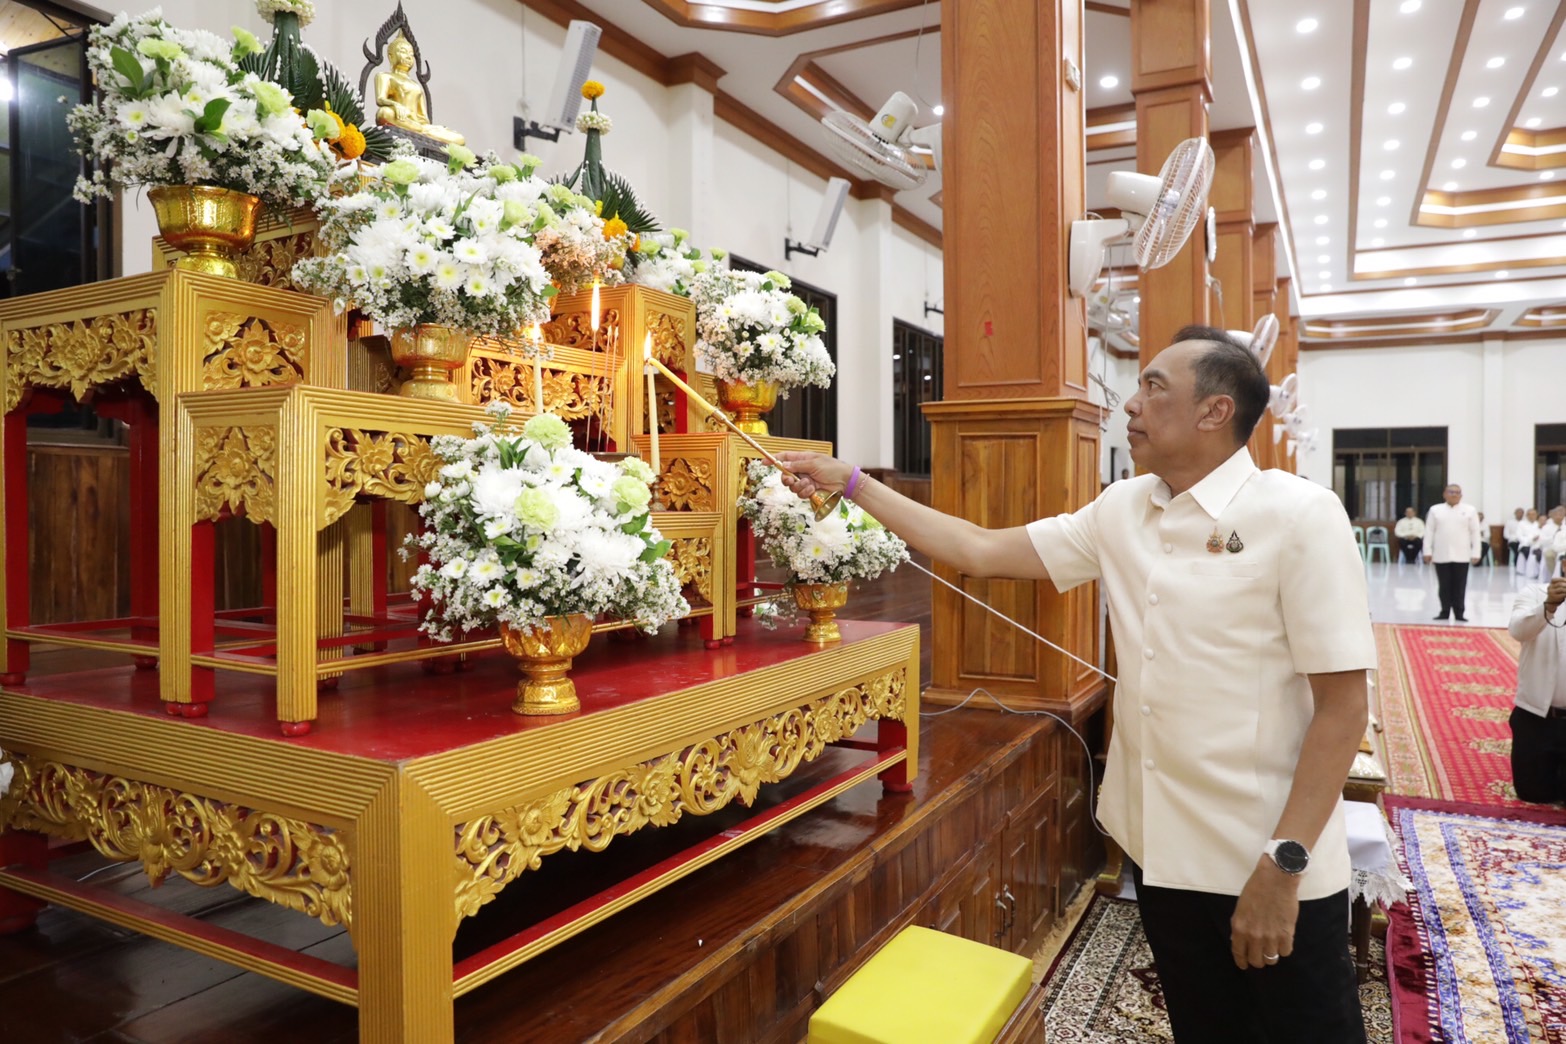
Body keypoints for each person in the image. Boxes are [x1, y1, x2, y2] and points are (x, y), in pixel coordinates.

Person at [777, 327, 1372, 1043]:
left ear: (1215, 412)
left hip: (1268, 854)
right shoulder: (1123, 509)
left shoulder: (1299, 515)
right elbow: (977, 548)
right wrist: (850, 482)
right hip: (1163, 847)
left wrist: (1285, 866)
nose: (1131, 402)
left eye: (1154, 386)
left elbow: (1343, 706)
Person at [1507, 566, 1566, 803]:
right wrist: (1549, 606)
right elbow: (1518, 630)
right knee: (1533, 794)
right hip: (1536, 718)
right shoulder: (1534, 593)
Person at [374, 32, 466, 145]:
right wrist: (395, 105)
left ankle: (422, 133)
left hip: (417, 126)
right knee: (384, 113)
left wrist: (432, 128)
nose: (408, 57)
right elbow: (380, 99)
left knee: (460, 139)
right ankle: (422, 132)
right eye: (403, 52)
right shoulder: (385, 76)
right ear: (391, 56)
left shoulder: (416, 85)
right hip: (399, 119)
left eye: (411, 54)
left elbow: (423, 119)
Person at [1422, 484, 1482, 621]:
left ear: (1461, 495)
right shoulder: (1435, 510)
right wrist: (1427, 550)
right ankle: (1444, 611)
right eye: (1451, 492)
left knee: (1460, 585)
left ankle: (1459, 613)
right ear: (1444, 494)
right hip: (1441, 554)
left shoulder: (1470, 510)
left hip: (1462, 555)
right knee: (1444, 585)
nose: (1454, 495)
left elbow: (1475, 533)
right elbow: (1429, 531)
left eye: (1457, 492)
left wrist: (1476, 553)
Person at [1518, 508, 1542, 577]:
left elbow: (1541, 535)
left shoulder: (1538, 524)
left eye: (1533, 514)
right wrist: (1531, 540)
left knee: (1539, 552)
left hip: (1537, 544)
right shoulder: (1521, 524)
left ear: (1536, 515)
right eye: (1529, 515)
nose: (1531, 516)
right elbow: (1519, 536)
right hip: (1525, 544)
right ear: (1526, 515)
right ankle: (1530, 572)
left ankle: (1537, 572)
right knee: (1527, 551)